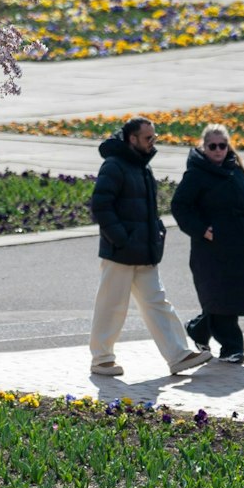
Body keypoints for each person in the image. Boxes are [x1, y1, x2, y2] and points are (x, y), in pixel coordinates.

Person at [88, 117, 213, 378]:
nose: (152, 142)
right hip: (121, 253)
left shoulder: (141, 167)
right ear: (132, 139)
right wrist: (121, 239)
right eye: (148, 138)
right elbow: (100, 206)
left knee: (157, 303)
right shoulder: (114, 166)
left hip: (143, 252)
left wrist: (155, 234)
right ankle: (101, 359)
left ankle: (178, 355)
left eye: (153, 137)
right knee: (112, 305)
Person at [171, 124, 244, 365]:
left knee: (232, 295)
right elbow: (179, 206)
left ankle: (199, 329)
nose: (219, 150)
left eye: (223, 145)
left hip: (239, 245)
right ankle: (232, 346)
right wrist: (202, 230)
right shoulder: (196, 174)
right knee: (219, 296)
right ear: (204, 147)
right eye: (213, 146)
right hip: (210, 248)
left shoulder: (236, 169)